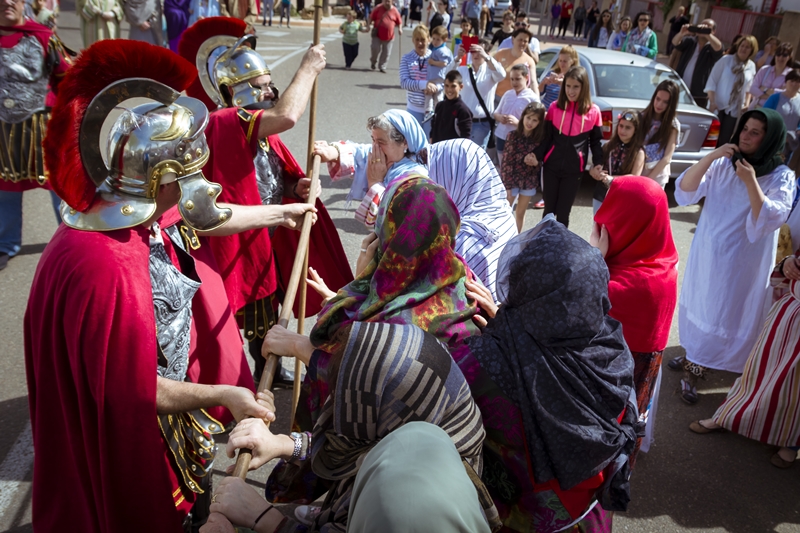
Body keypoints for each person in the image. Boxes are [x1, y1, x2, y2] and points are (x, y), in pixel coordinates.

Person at [28, 39, 275, 532]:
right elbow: (132, 388)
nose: (193, 184)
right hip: (136, 440)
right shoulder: (111, 263)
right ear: (151, 178)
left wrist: (281, 213)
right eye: (182, 176)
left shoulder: (116, 222)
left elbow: (206, 216)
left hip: (158, 424)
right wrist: (225, 393)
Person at [179, 18, 353, 383]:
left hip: (265, 232)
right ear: (231, 91)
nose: (271, 91)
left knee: (267, 302)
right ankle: (225, 382)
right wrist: (307, 69)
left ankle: (265, 370)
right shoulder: (226, 121)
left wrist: (296, 189)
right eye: (260, 86)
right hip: (232, 232)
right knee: (225, 316)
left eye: (270, 83)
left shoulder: (258, 130)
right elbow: (287, 115)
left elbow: (271, 176)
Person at [203, 323, 499, 533]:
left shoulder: (411, 507)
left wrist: (265, 519)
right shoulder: (422, 412)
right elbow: (356, 446)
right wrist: (282, 444)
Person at [452, 216, 641, 533]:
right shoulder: (611, 344)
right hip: (589, 515)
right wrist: (508, 327)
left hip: (521, 518)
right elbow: (551, 353)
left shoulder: (479, 364)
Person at [314, 112, 516, 299]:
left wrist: (375, 184)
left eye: (380, 143)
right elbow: (371, 153)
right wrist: (333, 151)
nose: (375, 149)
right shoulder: (421, 157)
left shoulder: (466, 241)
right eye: (373, 141)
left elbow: (401, 222)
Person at [670, 108, 794, 404]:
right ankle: (693, 354)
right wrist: (712, 156)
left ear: (769, 139)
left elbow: (770, 217)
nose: (745, 137)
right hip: (709, 251)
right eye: (744, 129)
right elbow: (685, 191)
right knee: (703, 302)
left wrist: (751, 180)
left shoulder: (780, 176)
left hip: (743, 260)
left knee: (727, 310)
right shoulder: (724, 165)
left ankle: (699, 368)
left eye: (755, 133)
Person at [592, 176, 679, 459]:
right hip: (637, 378)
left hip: (610, 384)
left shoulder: (625, 282)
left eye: (613, 208)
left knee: (605, 444)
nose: (603, 215)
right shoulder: (662, 262)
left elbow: (571, 306)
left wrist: (594, 259)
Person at [689, 251, 800, 469]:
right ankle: (728, 416)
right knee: (758, 369)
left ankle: (792, 442)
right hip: (792, 309)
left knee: (796, 387)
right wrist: (789, 263)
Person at [0, 0, 70, 272]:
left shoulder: (43, 37)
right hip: (3, 135)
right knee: (4, 189)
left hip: (41, 130)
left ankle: (70, 240)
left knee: (58, 187)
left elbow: (66, 77)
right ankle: (6, 244)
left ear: (22, 4)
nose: (7, 3)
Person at [534, 65, 603, 227]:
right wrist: (536, 155)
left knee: (564, 213)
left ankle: (560, 249)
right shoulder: (554, 107)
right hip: (551, 166)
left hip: (574, 170)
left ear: (584, 87)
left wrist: (598, 163)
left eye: (576, 87)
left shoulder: (593, 111)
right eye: (568, 86)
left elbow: (596, 141)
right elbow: (546, 137)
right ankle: (544, 245)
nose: (571, 91)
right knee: (549, 211)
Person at [448, 39, 506, 148]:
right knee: (459, 154)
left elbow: (502, 75)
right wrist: (457, 58)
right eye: (473, 51)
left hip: (481, 123)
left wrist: (487, 57)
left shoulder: (490, 70)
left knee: (476, 158)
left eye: (479, 51)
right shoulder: (464, 70)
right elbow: (447, 76)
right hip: (462, 121)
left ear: (486, 53)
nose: (476, 54)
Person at [501, 101, 545, 230]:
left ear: (539, 123)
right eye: (528, 118)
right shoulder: (513, 136)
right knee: (506, 212)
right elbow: (506, 162)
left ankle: (517, 241)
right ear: (523, 117)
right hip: (512, 180)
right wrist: (507, 185)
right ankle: (502, 240)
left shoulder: (539, 139)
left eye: (534, 120)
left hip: (528, 181)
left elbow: (541, 164)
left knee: (520, 213)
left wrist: (536, 163)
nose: (530, 122)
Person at [706, 34, 758, 146]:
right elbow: (712, 81)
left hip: (734, 109)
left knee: (724, 140)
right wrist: (712, 102)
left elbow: (749, 88)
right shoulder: (726, 60)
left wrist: (747, 103)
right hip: (717, 107)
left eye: (747, 47)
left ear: (752, 50)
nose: (743, 49)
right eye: (742, 46)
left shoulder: (751, 66)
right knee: (711, 139)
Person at [589, 110, 645, 210]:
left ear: (636, 130)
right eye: (621, 126)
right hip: (601, 196)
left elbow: (634, 178)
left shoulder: (638, 152)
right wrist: (594, 171)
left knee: (614, 226)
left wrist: (612, 178)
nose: (622, 130)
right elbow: (595, 166)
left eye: (628, 128)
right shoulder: (608, 146)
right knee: (597, 225)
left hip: (622, 198)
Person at [672, 19, 723, 108]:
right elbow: (675, 42)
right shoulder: (690, 41)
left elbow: (719, 47)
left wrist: (707, 34)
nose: (702, 28)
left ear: (713, 31)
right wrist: (682, 33)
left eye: (707, 27)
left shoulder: (712, 46)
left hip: (699, 95)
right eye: (701, 25)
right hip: (680, 88)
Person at [493, 63, 537, 167]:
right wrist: (500, 117)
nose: (514, 82)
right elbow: (496, 112)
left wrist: (518, 123)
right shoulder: (508, 94)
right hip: (502, 136)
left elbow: (536, 123)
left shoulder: (532, 98)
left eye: (517, 79)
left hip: (519, 138)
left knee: (515, 168)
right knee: (502, 166)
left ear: (526, 78)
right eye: (512, 79)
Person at [639, 79, 680, 188]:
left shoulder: (673, 125)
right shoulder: (642, 117)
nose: (659, 104)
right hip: (638, 171)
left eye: (665, 102)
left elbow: (667, 158)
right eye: (658, 99)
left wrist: (648, 180)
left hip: (657, 176)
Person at [400, 24, 436, 134]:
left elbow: (443, 80)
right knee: (413, 145)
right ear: (413, 40)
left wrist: (435, 87)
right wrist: (424, 84)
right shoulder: (406, 58)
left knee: (429, 145)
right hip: (413, 109)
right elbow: (404, 83)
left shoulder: (435, 57)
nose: (420, 43)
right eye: (417, 40)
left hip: (432, 110)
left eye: (423, 40)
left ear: (429, 40)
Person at [493, 28, 538, 101]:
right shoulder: (500, 54)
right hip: (496, 98)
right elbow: (488, 71)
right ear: (513, 39)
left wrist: (537, 101)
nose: (522, 43)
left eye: (525, 41)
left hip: (516, 101)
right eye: (520, 40)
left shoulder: (529, 61)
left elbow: (533, 82)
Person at [764, 69, 800, 159]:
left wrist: (793, 135)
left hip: (789, 143)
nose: (794, 84)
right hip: (772, 141)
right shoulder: (775, 98)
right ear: (786, 82)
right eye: (792, 81)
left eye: (798, 82)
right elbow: (764, 116)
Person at [431, 70, 473, 142]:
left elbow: (465, 138)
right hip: (437, 149)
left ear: (461, 86)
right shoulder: (439, 106)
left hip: (453, 151)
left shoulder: (463, 110)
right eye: (447, 86)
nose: (449, 90)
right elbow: (433, 128)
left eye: (453, 86)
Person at [748, 42, 792, 109]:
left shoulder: (791, 74)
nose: (780, 57)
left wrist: (763, 89)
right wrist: (772, 93)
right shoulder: (764, 69)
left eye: (784, 55)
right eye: (778, 54)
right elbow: (752, 89)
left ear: (789, 57)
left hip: (774, 111)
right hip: (756, 108)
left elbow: (786, 94)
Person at [424, 25, 453, 118]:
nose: (435, 42)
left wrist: (433, 62)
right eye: (434, 38)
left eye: (438, 39)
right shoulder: (436, 49)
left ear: (444, 40)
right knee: (433, 94)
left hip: (438, 77)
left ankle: (433, 111)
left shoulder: (442, 50)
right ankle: (433, 111)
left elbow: (444, 63)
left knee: (434, 93)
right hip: (434, 76)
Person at [538, 44, 578, 109]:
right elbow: (539, 93)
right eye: (560, 60)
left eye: (565, 61)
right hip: (545, 110)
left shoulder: (574, 77)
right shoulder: (552, 73)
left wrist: (562, 83)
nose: (562, 64)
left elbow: (573, 97)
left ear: (572, 61)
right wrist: (543, 83)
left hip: (560, 112)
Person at [369, 0, 402, 72]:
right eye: (386, 1)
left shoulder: (395, 10)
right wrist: (368, 26)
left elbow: (399, 22)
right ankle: (373, 61)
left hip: (389, 36)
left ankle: (382, 66)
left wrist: (400, 29)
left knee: (386, 52)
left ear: (392, 1)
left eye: (389, 1)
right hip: (377, 34)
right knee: (375, 48)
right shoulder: (378, 8)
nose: (387, 3)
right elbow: (371, 17)